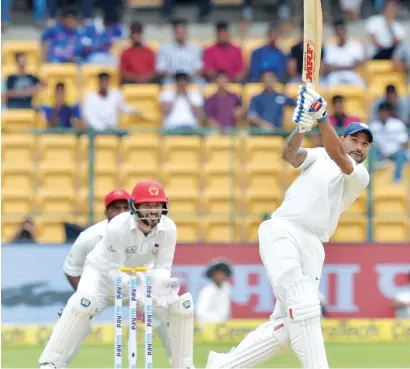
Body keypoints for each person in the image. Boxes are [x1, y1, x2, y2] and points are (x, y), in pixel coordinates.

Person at [206, 86, 372, 369]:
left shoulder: (359, 175)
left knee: (287, 325)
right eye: (354, 140)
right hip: (283, 230)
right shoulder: (320, 154)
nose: (359, 147)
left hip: (314, 245)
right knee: (305, 307)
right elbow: (290, 156)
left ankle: (223, 366)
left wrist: (321, 117)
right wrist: (300, 127)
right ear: (344, 140)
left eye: (365, 144)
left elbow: (336, 154)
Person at [39, 180, 195, 369]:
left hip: (139, 277)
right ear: (134, 207)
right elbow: (113, 270)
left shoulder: (169, 228)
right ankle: (51, 363)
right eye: (147, 205)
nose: (153, 211)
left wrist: (160, 289)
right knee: (81, 303)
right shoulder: (118, 226)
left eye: (157, 205)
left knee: (177, 307)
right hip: (101, 276)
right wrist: (138, 288)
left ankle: (184, 365)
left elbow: (162, 267)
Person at [59, 189, 131, 367]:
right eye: (116, 208)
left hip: (132, 290)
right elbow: (71, 269)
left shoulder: (144, 233)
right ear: (106, 212)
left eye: (125, 208)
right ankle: (54, 363)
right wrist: (85, 296)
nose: (121, 213)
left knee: (166, 310)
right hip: (99, 290)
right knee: (76, 317)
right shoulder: (90, 237)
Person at [83, 72, 148, 131]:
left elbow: (123, 107)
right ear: (98, 82)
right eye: (102, 81)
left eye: (106, 81)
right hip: (96, 131)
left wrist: (136, 111)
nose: (104, 83)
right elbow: (89, 116)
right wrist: (102, 128)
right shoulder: (90, 97)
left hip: (113, 130)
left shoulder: (115, 94)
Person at [369, 102, 408, 183]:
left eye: (385, 111)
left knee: (401, 154)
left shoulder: (397, 124)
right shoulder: (373, 126)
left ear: (388, 112)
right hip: (381, 154)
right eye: (381, 112)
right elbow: (371, 143)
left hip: (396, 153)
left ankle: (397, 180)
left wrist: (392, 154)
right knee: (371, 151)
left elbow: (404, 144)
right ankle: (372, 180)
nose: (383, 114)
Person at [156, 19, 203, 85]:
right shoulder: (164, 49)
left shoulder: (195, 49)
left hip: (191, 79)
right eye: (178, 32)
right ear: (173, 32)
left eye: (182, 32)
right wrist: (177, 78)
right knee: (166, 83)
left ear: (186, 32)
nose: (180, 35)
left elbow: (199, 68)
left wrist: (187, 78)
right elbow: (161, 68)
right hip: (172, 80)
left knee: (200, 83)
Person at [324, 19, 365, 86]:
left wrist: (338, 67)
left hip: (352, 74)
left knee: (360, 85)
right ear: (335, 32)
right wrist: (349, 66)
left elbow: (360, 64)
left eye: (341, 30)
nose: (340, 33)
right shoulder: (329, 47)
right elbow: (328, 67)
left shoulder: (355, 45)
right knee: (329, 86)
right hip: (335, 75)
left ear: (345, 31)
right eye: (338, 31)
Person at [196, 260, 233, 326]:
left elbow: (226, 310)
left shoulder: (226, 288)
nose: (221, 275)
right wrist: (216, 323)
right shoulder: (207, 291)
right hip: (209, 327)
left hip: (223, 328)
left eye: (223, 273)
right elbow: (201, 312)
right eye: (218, 273)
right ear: (212, 275)